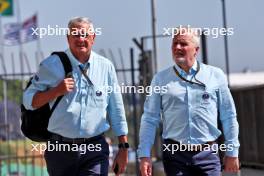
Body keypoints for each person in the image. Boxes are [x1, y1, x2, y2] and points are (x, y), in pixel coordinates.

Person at [23, 17, 129, 176]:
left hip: (95, 149)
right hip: (60, 150)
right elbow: (28, 101)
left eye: (85, 35)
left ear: (93, 38)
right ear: (68, 38)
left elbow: (117, 110)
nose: (80, 39)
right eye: (75, 35)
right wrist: (56, 91)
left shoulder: (106, 67)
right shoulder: (52, 64)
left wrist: (123, 148)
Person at [138, 27, 240, 176]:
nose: (177, 47)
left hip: (208, 155)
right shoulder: (160, 79)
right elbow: (149, 119)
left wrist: (232, 151)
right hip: (175, 157)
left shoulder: (215, 75)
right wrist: (144, 154)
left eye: (183, 44)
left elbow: (228, 115)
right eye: (175, 43)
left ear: (196, 50)